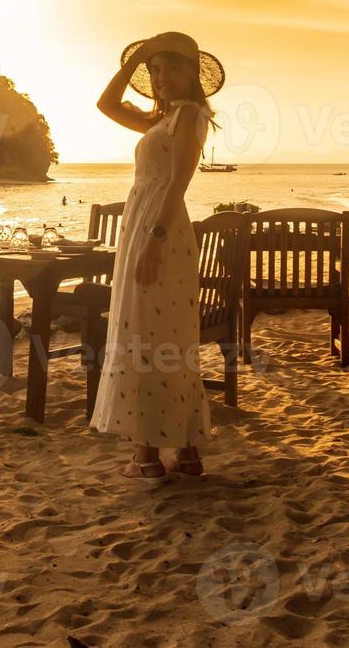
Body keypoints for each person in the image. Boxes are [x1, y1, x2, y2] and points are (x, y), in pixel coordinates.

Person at [90, 30, 224, 481]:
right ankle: (185, 453)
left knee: (152, 337)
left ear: (192, 73)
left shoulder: (189, 116)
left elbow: (177, 183)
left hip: (159, 228)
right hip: (144, 225)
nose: (161, 77)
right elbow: (106, 105)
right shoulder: (159, 121)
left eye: (171, 67)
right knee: (156, 335)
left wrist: (154, 238)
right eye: (155, 70)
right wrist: (134, 60)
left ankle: (147, 455)